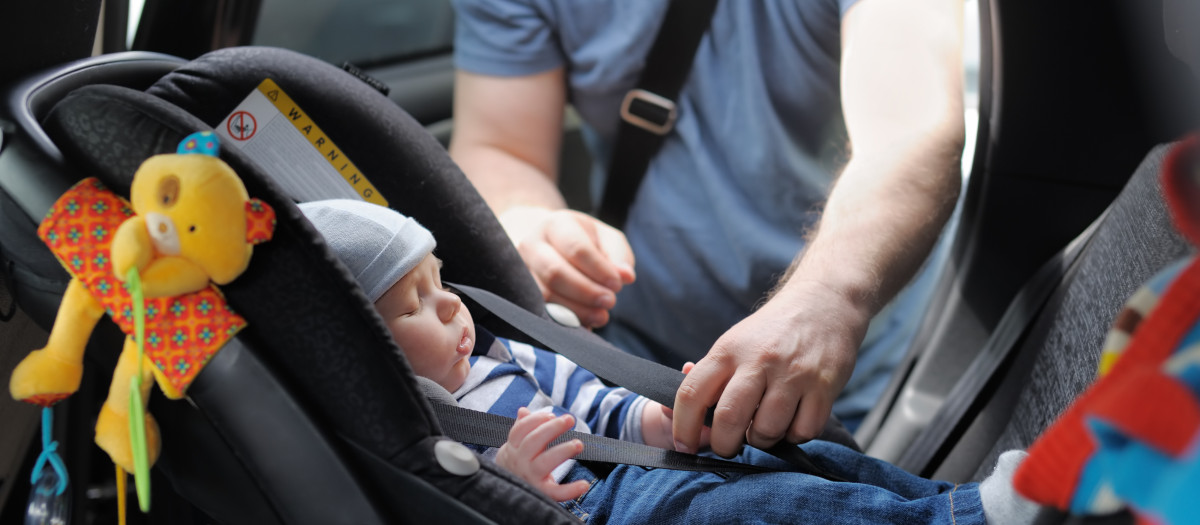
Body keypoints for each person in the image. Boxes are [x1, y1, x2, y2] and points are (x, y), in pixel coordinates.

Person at [298, 199, 1036, 524]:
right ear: (369, 345)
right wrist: (516, 482)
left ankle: (947, 502)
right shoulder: (423, 429)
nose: (453, 307)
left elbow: (593, 402)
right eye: (413, 307)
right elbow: (455, 501)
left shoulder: (506, 353)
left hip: (639, 466)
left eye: (441, 284)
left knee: (806, 455)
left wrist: (656, 418)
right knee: (756, 510)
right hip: (601, 508)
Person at [446, 0, 966, 454]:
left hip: (855, 370)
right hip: (640, 367)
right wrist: (527, 220)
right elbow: (500, 146)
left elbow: (912, 130)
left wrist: (830, 295)